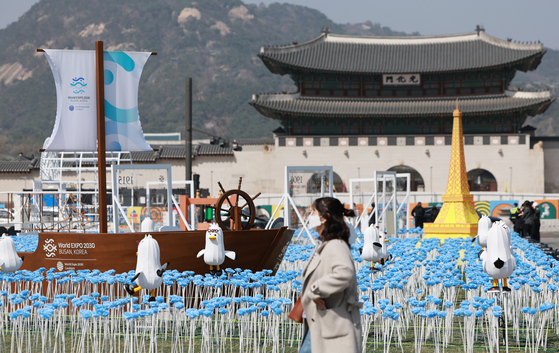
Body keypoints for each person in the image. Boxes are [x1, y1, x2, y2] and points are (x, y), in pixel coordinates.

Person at [300, 197, 362, 353]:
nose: (310, 215)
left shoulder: (335, 245)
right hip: (322, 322)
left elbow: (344, 273)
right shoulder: (326, 245)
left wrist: (315, 290)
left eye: (313, 211)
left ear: (324, 217)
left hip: (332, 323)